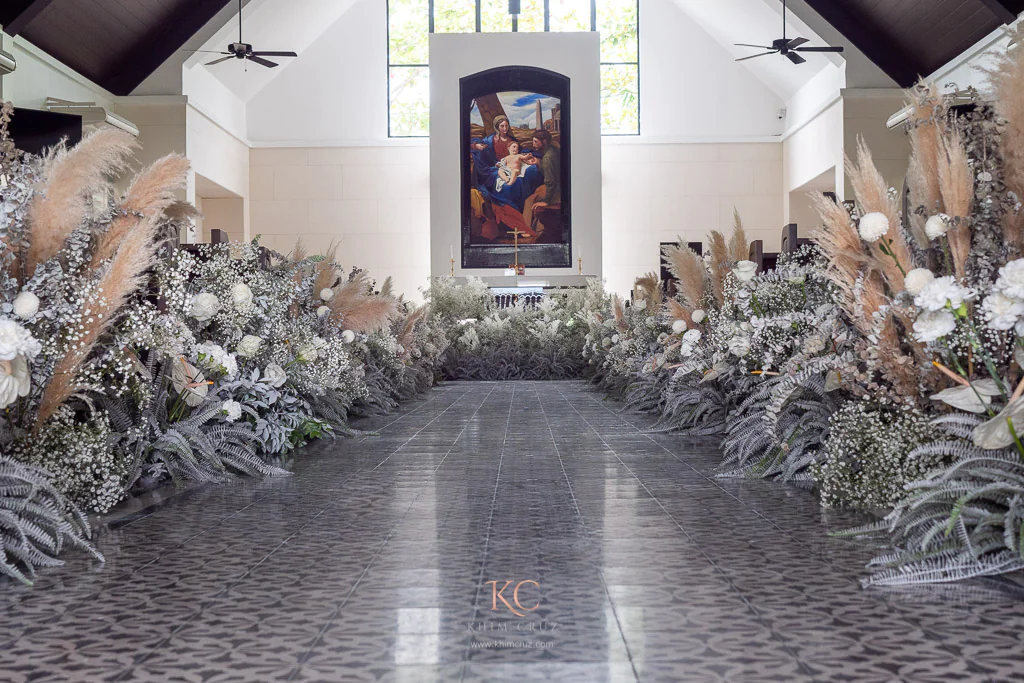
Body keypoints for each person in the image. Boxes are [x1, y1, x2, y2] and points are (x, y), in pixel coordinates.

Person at [523, 129, 560, 229]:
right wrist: (538, 162)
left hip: (557, 191)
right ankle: (533, 228)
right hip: (558, 185)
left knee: (529, 200)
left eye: (535, 142)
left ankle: (526, 230)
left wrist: (547, 201)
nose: (533, 144)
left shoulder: (548, 157)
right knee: (535, 193)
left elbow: (550, 182)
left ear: (544, 141)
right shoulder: (552, 149)